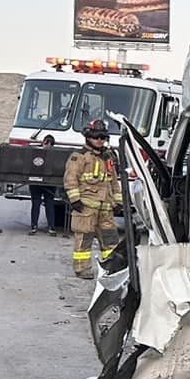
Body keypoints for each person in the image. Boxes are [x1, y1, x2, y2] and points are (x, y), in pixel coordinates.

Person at [61, 119, 121, 278]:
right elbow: (70, 179)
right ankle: (82, 269)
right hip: (86, 208)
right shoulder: (79, 157)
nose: (100, 140)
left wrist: (118, 202)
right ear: (88, 137)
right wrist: (75, 200)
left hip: (106, 208)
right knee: (84, 240)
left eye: (102, 137)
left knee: (110, 241)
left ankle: (111, 268)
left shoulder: (108, 158)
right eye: (96, 136)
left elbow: (113, 181)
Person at [28, 132, 60, 234]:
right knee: (39, 203)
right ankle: (38, 226)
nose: (47, 146)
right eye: (47, 143)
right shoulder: (38, 152)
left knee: (46, 204)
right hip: (41, 182)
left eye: (49, 144)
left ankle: (47, 226)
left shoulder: (36, 152)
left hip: (44, 182)